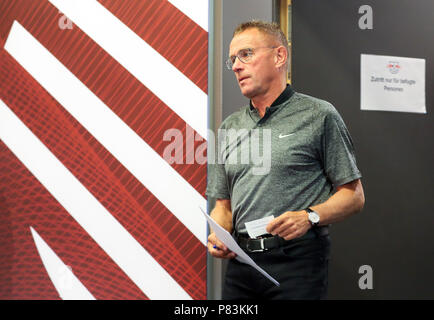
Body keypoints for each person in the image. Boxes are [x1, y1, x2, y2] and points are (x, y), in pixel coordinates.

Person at [206, 20, 365, 300]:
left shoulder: (319, 115)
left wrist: (310, 216)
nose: (238, 66)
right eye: (233, 60)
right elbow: (223, 206)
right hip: (242, 265)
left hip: (297, 262)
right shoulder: (229, 127)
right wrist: (219, 233)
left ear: (279, 56)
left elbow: (354, 197)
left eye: (246, 54)